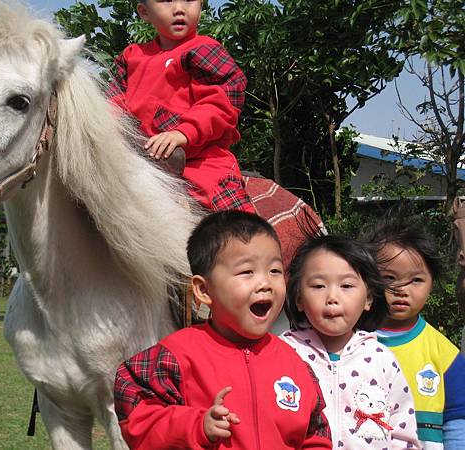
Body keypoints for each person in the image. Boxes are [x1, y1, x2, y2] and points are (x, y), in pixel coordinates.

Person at [114, 210, 332, 449]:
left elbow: (316, 434)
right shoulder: (176, 356)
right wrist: (195, 425)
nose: (265, 284)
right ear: (203, 290)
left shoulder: (294, 363)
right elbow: (137, 414)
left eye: (275, 271)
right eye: (247, 272)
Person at [107, 0, 255, 213]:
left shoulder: (203, 49)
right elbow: (113, 104)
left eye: (188, 0)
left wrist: (183, 133)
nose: (179, 8)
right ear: (144, 12)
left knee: (234, 222)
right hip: (140, 161)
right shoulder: (131, 57)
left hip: (200, 160)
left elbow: (222, 99)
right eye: (166, 1)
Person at [280, 234, 421, 449]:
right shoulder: (283, 353)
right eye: (318, 286)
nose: (332, 297)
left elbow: (404, 433)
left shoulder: (381, 359)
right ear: (298, 298)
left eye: (346, 285)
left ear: (368, 299)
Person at [365, 216, 465, 449]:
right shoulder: (350, 341)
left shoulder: (446, 355)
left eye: (416, 280)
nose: (401, 290)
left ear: (432, 283)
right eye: (389, 278)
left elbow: (457, 422)